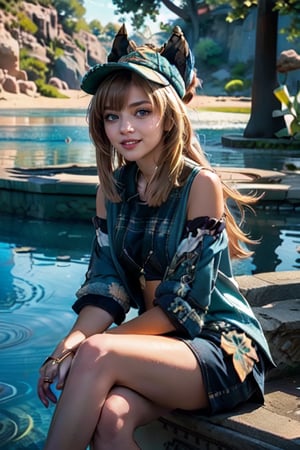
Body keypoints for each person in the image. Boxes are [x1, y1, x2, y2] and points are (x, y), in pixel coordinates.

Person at [38, 24, 274, 450]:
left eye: (141, 112)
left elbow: (180, 310)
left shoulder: (200, 186)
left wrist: (89, 347)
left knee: (96, 354)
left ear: (168, 116)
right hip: (160, 350)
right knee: (110, 420)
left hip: (224, 351)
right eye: (113, 116)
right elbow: (105, 288)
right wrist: (65, 345)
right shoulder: (110, 192)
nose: (125, 127)